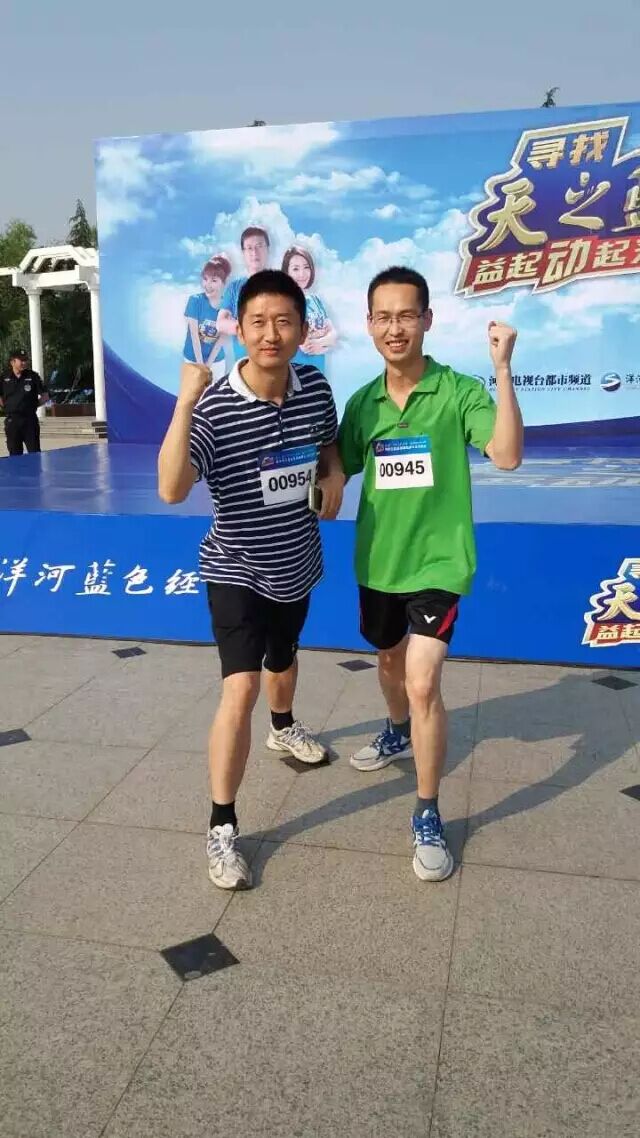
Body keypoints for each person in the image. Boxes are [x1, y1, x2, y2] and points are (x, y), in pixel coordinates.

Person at [158, 269, 345, 890]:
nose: (271, 334)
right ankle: (222, 825)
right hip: (234, 565)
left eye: (283, 321)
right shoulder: (214, 407)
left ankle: (283, 727)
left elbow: (330, 445)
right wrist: (184, 402)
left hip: (296, 557)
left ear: (301, 328)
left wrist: (335, 476)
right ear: (239, 328)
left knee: (283, 659)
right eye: (258, 322)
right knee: (239, 688)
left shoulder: (315, 388)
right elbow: (172, 488)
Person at [338, 266, 522, 883]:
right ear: (370, 325)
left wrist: (502, 370)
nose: (395, 328)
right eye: (383, 317)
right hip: (378, 562)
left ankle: (427, 811)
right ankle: (396, 731)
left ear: (426, 320)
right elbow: (338, 464)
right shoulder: (362, 403)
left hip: (439, 563)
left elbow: (506, 454)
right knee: (388, 660)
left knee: (423, 682)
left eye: (406, 315)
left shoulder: (457, 391)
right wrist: (321, 483)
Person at [216, 226, 270, 360]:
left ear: (267, 249)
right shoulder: (234, 288)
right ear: (243, 253)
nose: (254, 252)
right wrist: (248, 328)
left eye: (259, 246)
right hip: (244, 364)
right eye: (249, 248)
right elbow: (220, 323)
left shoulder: (282, 285)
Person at [282, 246, 337, 372]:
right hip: (298, 372)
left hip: (319, 371)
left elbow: (334, 335)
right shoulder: (285, 303)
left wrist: (319, 343)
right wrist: (324, 341)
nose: (302, 274)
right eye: (295, 269)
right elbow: (305, 346)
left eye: (306, 267)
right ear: (286, 272)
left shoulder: (315, 300)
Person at [183, 255, 231, 379]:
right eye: (205, 279)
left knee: (215, 391)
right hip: (192, 359)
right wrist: (201, 367)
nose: (207, 285)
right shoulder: (195, 301)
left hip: (216, 361)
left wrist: (208, 365)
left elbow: (222, 339)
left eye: (214, 281)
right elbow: (194, 336)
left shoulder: (228, 308)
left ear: (223, 283)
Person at [0, 349, 48, 455]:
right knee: (14, 454)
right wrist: (8, 407)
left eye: (25, 360)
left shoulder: (33, 376)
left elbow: (45, 396)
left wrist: (33, 405)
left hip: (29, 420)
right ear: (12, 362)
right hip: (12, 421)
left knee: (34, 453)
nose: (24, 362)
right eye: (21, 360)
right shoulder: (4, 377)